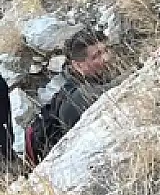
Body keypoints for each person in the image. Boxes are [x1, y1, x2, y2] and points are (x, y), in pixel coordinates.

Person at [23, 32, 113, 165]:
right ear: (77, 65)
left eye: (106, 50)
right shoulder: (75, 98)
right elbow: (105, 92)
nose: (106, 58)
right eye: (96, 56)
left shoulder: (95, 77)